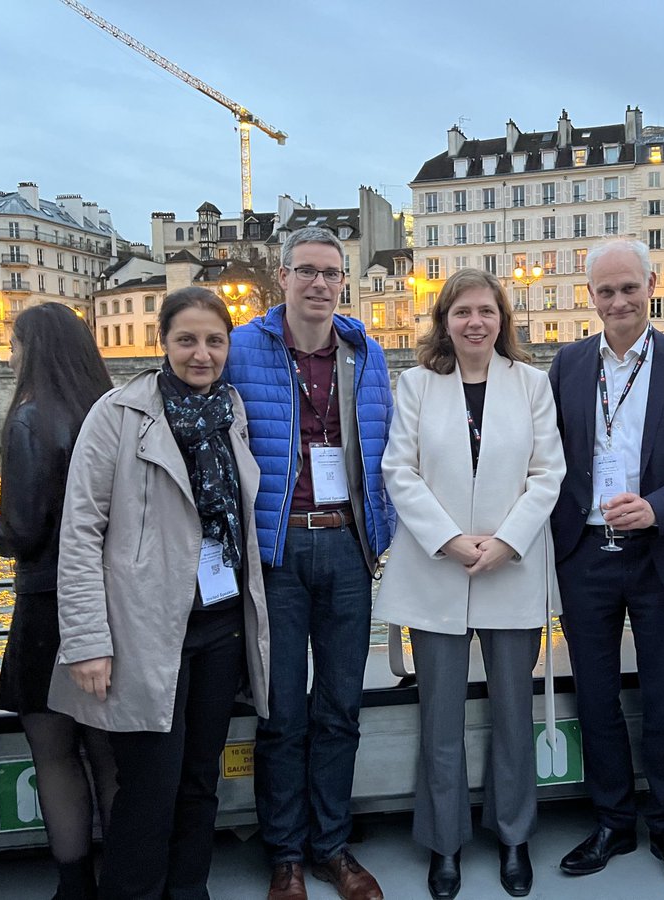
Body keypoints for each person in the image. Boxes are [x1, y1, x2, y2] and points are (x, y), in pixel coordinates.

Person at [50, 286, 271, 899]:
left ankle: (188, 891)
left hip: (219, 624)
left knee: (201, 779)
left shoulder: (231, 410)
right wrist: (89, 641)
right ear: (162, 343)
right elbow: (81, 531)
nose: (201, 354)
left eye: (214, 341)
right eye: (187, 340)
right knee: (150, 785)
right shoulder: (117, 413)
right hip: (146, 630)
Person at [548, 238, 664, 896]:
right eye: (606, 291)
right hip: (585, 555)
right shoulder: (566, 366)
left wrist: (656, 508)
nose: (619, 301)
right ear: (589, 296)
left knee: (663, 700)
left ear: (652, 285)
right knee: (594, 700)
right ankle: (612, 821)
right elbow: (548, 461)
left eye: (629, 288)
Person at [375, 269, 565, 900]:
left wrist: (508, 540)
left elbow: (548, 473)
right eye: (462, 312)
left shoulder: (533, 384)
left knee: (515, 713)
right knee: (441, 719)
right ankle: (445, 843)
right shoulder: (416, 385)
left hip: (511, 569)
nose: (475, 322)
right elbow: (398, 470)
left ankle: (513, 834)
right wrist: (449, 539)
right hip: (438, 567)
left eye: (486, 311)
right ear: (445, 321)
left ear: (502, 319)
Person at [227, 226, 394, 900]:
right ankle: (285, 854)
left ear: (343, 282)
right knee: (281, 710)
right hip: (279, 547)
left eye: (331, 273)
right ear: (283, 275)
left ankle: (331, 845)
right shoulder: (242, 347)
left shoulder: (365, 351)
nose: (319, 284)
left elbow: (390, 447)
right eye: (307, 272)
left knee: (340, 706)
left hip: (349, 546)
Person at [0, 303, 118, 899]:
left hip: (46, 604)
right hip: (109, 602)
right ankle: (128, 876)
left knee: (54, 752)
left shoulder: (30, 420)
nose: (11, 356)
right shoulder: (110, 412)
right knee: (109, 753)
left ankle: (75, 884)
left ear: (32, 349)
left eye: (14, 344)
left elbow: (23, 527)